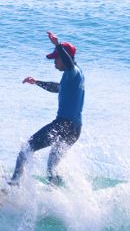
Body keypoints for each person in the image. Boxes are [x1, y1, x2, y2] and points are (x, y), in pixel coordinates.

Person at [10, 31, 85, 186]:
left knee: (26, 149)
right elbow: (57, 87)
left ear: (64, 58)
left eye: (56, 58)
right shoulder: (74, 76)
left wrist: (57, 45)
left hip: (64, 125)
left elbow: (68, 62)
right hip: (75, 128)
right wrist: (37, 82)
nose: (54, 62)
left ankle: (13, 186)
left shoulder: (73, 71)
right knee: (51, 166)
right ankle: (56, 194)